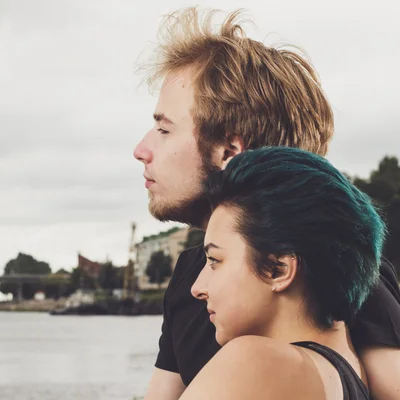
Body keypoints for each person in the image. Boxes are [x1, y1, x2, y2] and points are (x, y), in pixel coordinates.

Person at [133, 7, 400, 400]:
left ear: (231, 151)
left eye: (164, 129)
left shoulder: (344, 273)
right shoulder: (189, 277)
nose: (142, 149)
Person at [178, 146, 384, 399]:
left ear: (279, 270)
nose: (197, 287)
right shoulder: (351, 369)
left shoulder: (256, 362)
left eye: (214, 260)